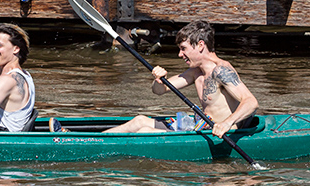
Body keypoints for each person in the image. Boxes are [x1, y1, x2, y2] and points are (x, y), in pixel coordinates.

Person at [94, 20, 258, 138]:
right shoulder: (195, 72)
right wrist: (158, 80)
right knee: (139, 121)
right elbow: (159, 91)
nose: (180, 55)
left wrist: (227, 123)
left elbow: (251, 102)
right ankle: (92, 141)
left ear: (200, 45)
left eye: (183, 49)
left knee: (144, 132)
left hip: (218, 133)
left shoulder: (221, 70)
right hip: (200, 126)